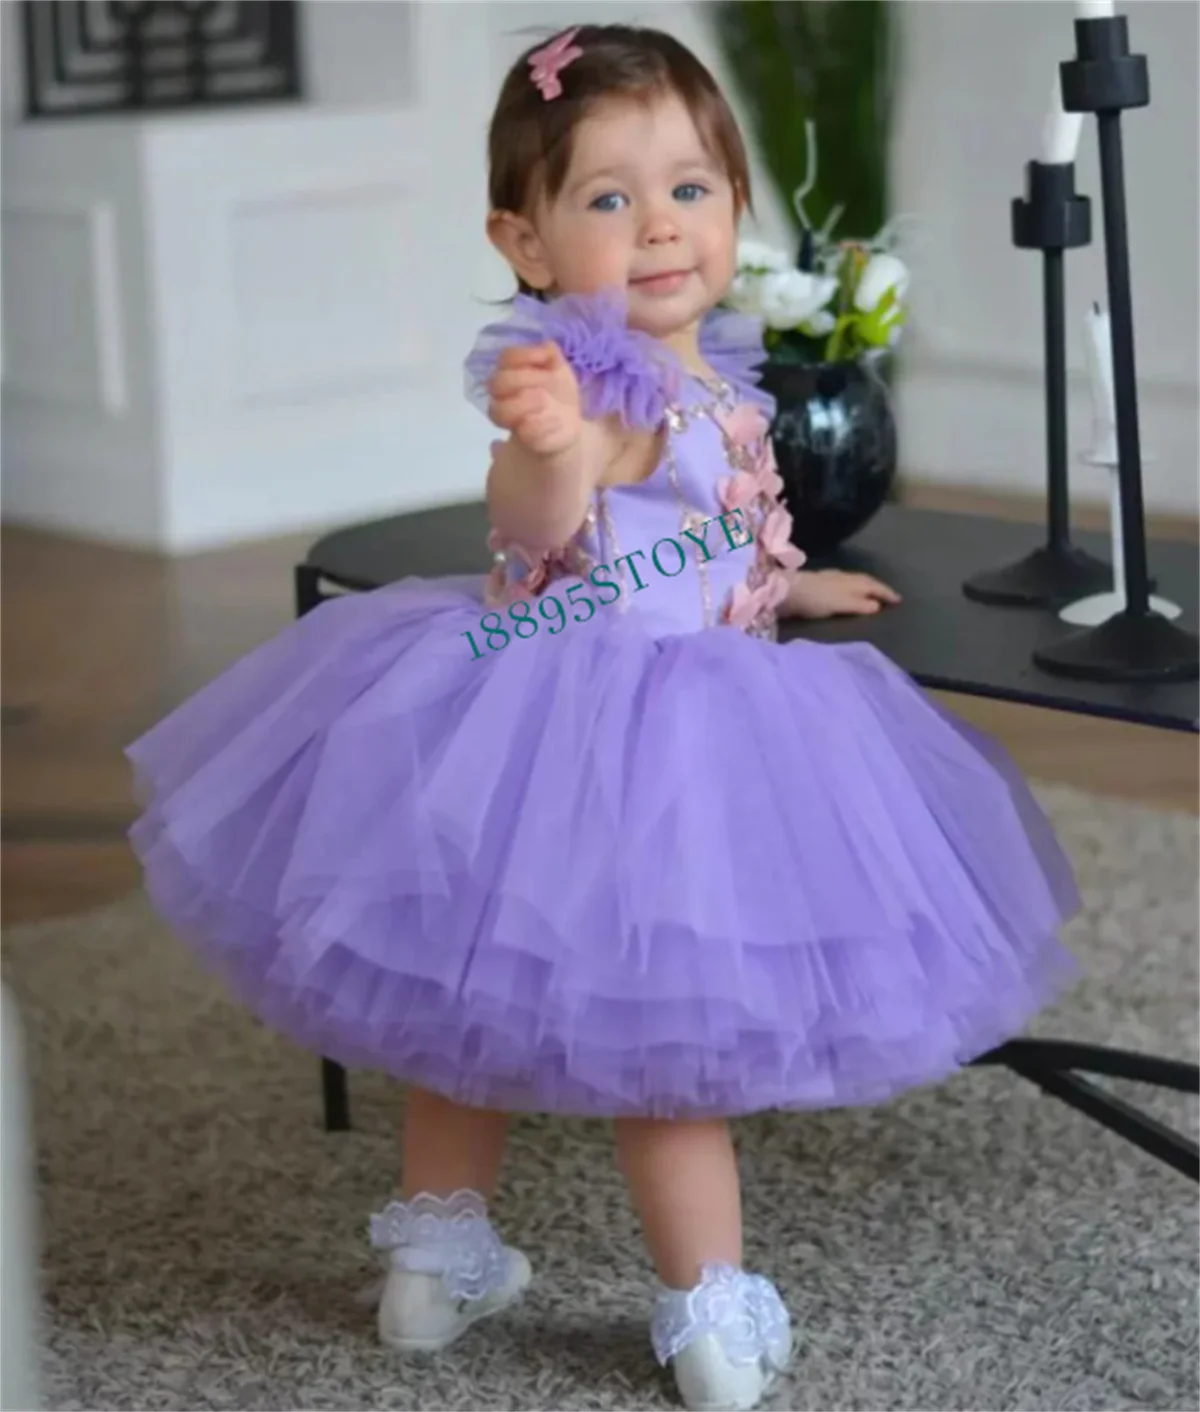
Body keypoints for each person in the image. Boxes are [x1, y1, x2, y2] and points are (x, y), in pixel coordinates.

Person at [125, 23, 1081, 1412]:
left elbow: (703, 524)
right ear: (525, 240)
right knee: (664, 1048)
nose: (658, 229)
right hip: (609, 737)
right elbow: (538, 515)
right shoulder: (583, 383)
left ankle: (438, 1263)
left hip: (568, 719)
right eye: (608, 199)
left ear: (737, 212)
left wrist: (784, 576)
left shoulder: (706, 364)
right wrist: (552, 452)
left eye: (690, 189)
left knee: (463, 1013)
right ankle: (705, 1314)